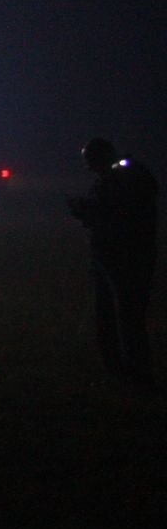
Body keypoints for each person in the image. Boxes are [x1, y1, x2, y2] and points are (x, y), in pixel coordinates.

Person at [69, 137, 158, 385]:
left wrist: (85, 211)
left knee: (128, 316)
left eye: (90, 161)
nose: (87, 167)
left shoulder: (125, 177)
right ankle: (117, 367)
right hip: (110, 256)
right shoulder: (119, 177)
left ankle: (138, 372)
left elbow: (117, 215)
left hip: (126, 257)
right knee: (108, 314)